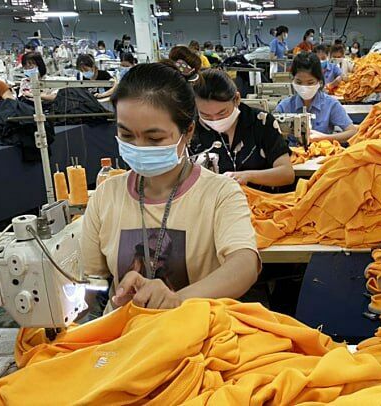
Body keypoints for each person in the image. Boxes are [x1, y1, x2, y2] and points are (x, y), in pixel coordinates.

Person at [81, 61, 259, 311]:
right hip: (126, 331)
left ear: (188, 132)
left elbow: (245, 265)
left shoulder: (220, 194)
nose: (139, 147)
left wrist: (177, 299)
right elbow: (90, 283)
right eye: (127, 135)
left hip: (192, 329)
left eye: (154, 138)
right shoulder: (106, 195)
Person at [190, 69, 293, 188]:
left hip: (261, 197)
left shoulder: (261, 122)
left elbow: (286, 174)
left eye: (222, 113)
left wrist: (248, 176)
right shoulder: (192, 131)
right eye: (206, 115)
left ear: (237, 99)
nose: (215, 120)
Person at [275, 52, 357, 144]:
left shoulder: (330, 104)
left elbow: (352, 132)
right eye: (299, 82)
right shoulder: (284, 106)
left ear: (320, 82)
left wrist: (324, 138)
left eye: (310, 83)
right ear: (292, 80)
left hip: (322, 151)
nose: (304, 87)